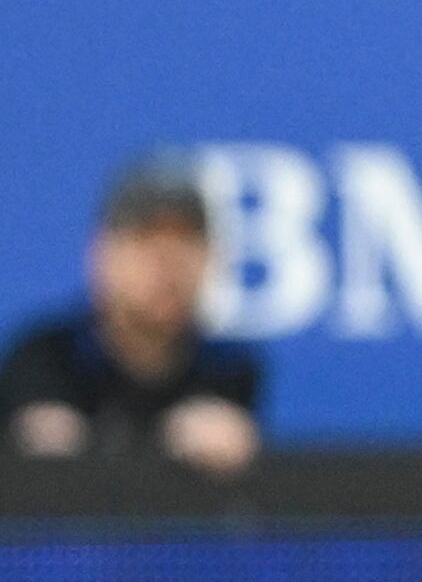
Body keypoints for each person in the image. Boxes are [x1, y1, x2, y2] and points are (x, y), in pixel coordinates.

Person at [2, 159, 262, 475]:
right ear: (102, 255)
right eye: (147, 242)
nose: (168, 265)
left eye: (185, 242)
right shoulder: (44, 358)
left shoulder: (228, 368)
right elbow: (46, 454)